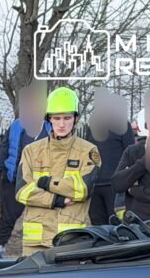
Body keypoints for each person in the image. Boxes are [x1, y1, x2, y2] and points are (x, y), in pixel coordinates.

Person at [15, 86, 101, 256]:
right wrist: (56, 199)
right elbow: (22, 191)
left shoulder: (89, 151)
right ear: (49, 119)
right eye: (57, 118)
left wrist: (44, 182)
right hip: (35, 242)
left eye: (67, 118)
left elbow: (82, 189)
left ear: (75, 118)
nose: (62, 124)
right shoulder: (31, 151)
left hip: (71, 240)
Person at [0, 91, 49, 253]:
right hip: (13, 179)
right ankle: (0, 244)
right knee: (8, 215)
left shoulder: (49, 127)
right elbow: (4, 146)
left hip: (39, 182)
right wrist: (2, 169)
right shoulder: (16, 125)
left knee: (41, 215)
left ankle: (42, 245)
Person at [82, 95, 135, 226]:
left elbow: (131, 154)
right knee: (98, 226)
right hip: (94, 186)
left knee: (117, 225)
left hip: (115, 187)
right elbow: (87, 152)